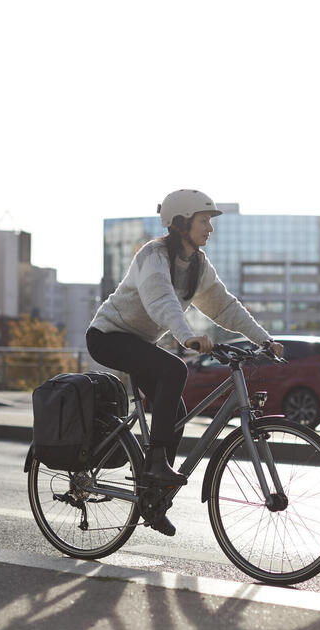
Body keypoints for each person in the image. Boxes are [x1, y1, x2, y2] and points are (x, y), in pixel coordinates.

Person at [86, 189, 284, 489]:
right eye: (204, 220)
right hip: (108, 337)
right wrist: (188, 337)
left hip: (140, 345)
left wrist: (264, 340)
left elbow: (224, 306)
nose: (210, 228)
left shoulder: (198, 265)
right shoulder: (152, 256)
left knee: (176, 412)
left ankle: (154, 493)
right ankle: (155, 463)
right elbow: (161, 300)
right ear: (181, 223)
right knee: (174, 369)